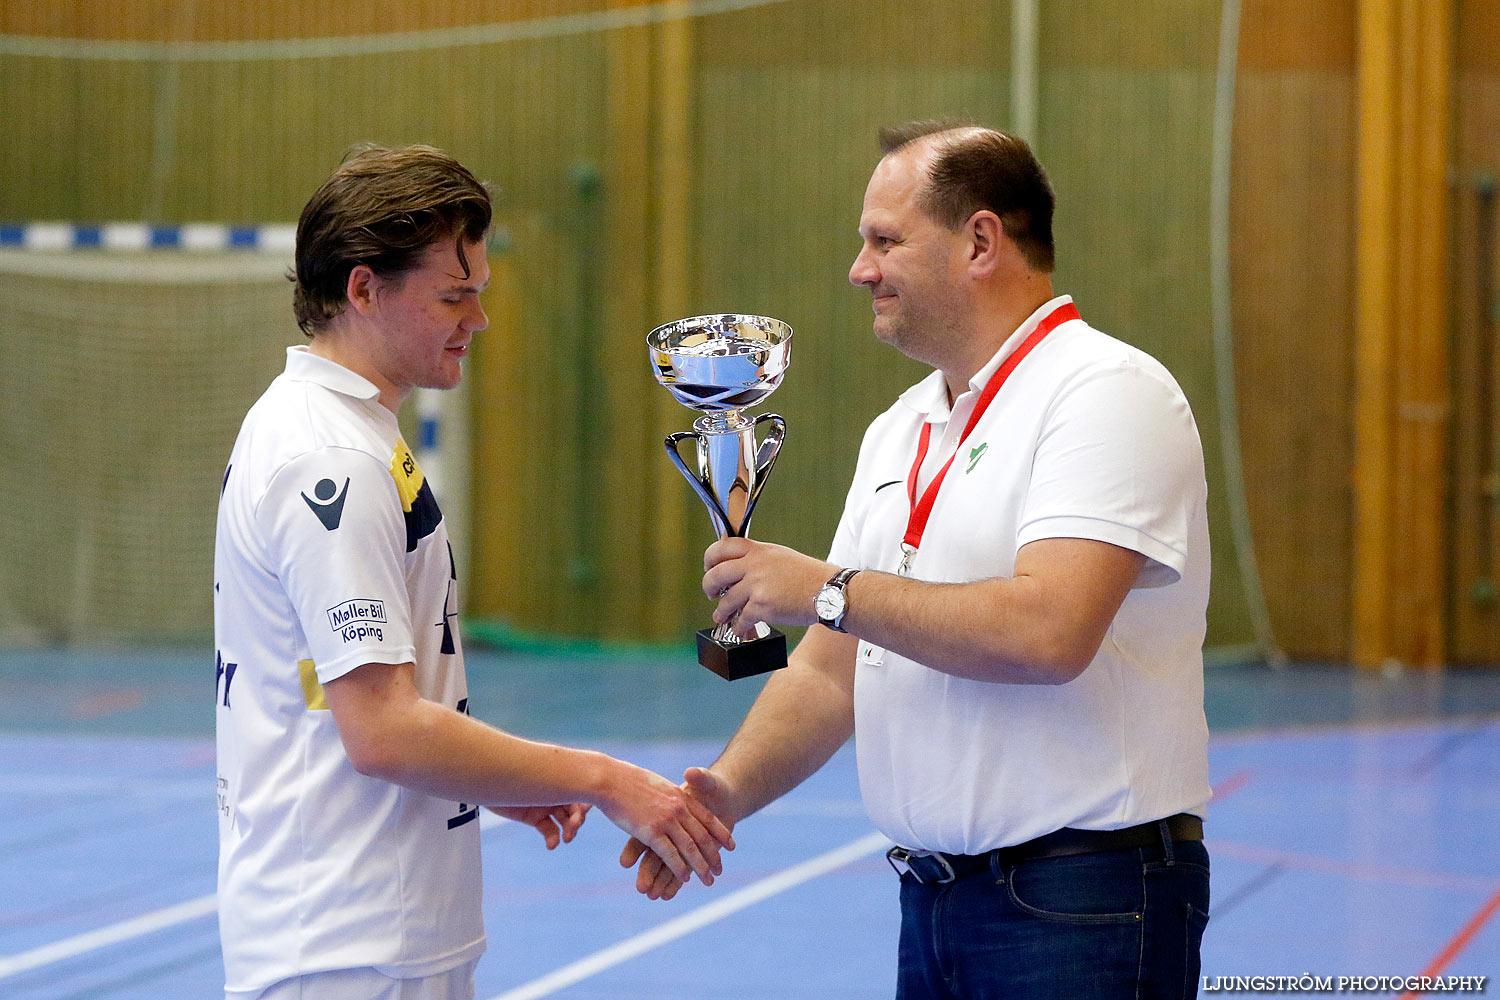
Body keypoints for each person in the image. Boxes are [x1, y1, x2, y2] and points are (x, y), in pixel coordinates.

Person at [622, 121, 1213, 999]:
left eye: (884, 240)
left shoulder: (1106, 394)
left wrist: (826, 587)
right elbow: (832, 673)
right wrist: (723, 797)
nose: (859, 269)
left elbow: (1049, 632)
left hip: (1085, 901)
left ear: (980, 241)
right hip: (933, 903)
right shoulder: (902, 426)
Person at [214, 144, 733, 1000]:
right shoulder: (326, 459)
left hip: (387, 929)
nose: (478, 320)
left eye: (478, 294)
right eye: (455, 296)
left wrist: (490, 779)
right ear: (364, 287)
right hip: (344, 947)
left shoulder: (352, 432)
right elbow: (380, 730)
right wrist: (604, 779)